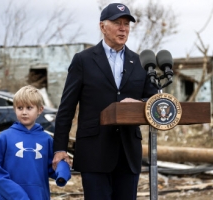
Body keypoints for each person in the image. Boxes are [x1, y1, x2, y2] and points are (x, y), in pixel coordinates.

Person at [52, 2, 158, 200]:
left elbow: (153, 100)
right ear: (102, 26)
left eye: (126, 24)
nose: (123, 28)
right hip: (94, 152)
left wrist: (139, 103)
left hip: (128, 154)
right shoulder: (83, 60)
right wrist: (60, 149)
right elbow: (66, 107)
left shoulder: (141, 63)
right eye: (117, 23)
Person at [0, 85, 71, 200]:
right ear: (14, 108)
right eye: (20, 108)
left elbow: (53, 166)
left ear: (40, 110)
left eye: (29, 108)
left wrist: (63, 171)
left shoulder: (46, 140)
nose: (24, 112)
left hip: (39, 196)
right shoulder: (4, 138)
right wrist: (17, 195)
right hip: (9, 197)